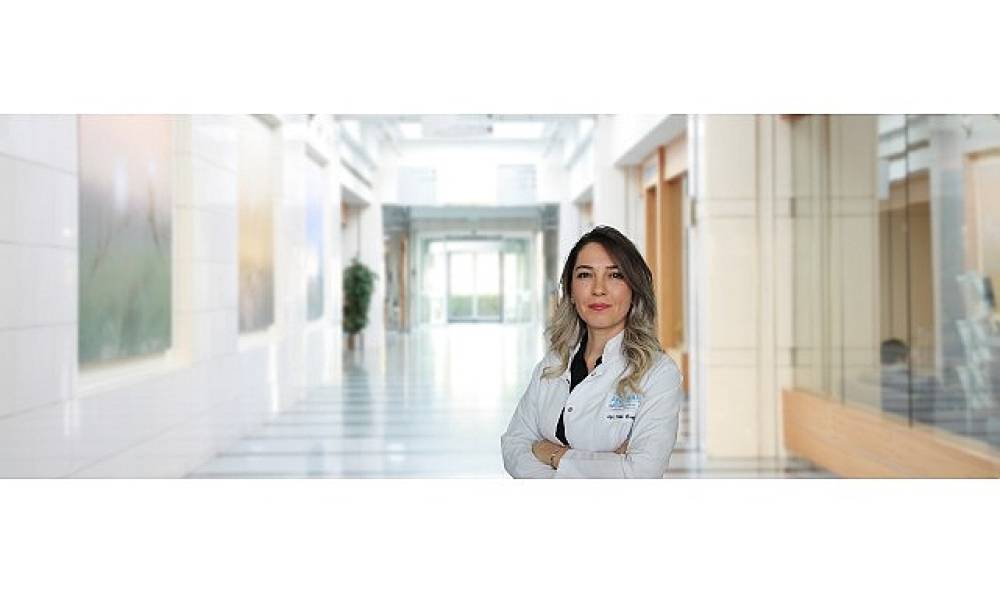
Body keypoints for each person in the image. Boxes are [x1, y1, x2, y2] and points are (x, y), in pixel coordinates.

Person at [500, 225, 683, 478]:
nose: (599, 289)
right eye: (585, 275)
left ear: (634, 290)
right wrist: (607, 464)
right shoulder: (553, 364)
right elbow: (513, 444)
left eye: (615, 275)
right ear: (571, 291)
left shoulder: (659, 373)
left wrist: (553, 454)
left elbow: (642, 472)